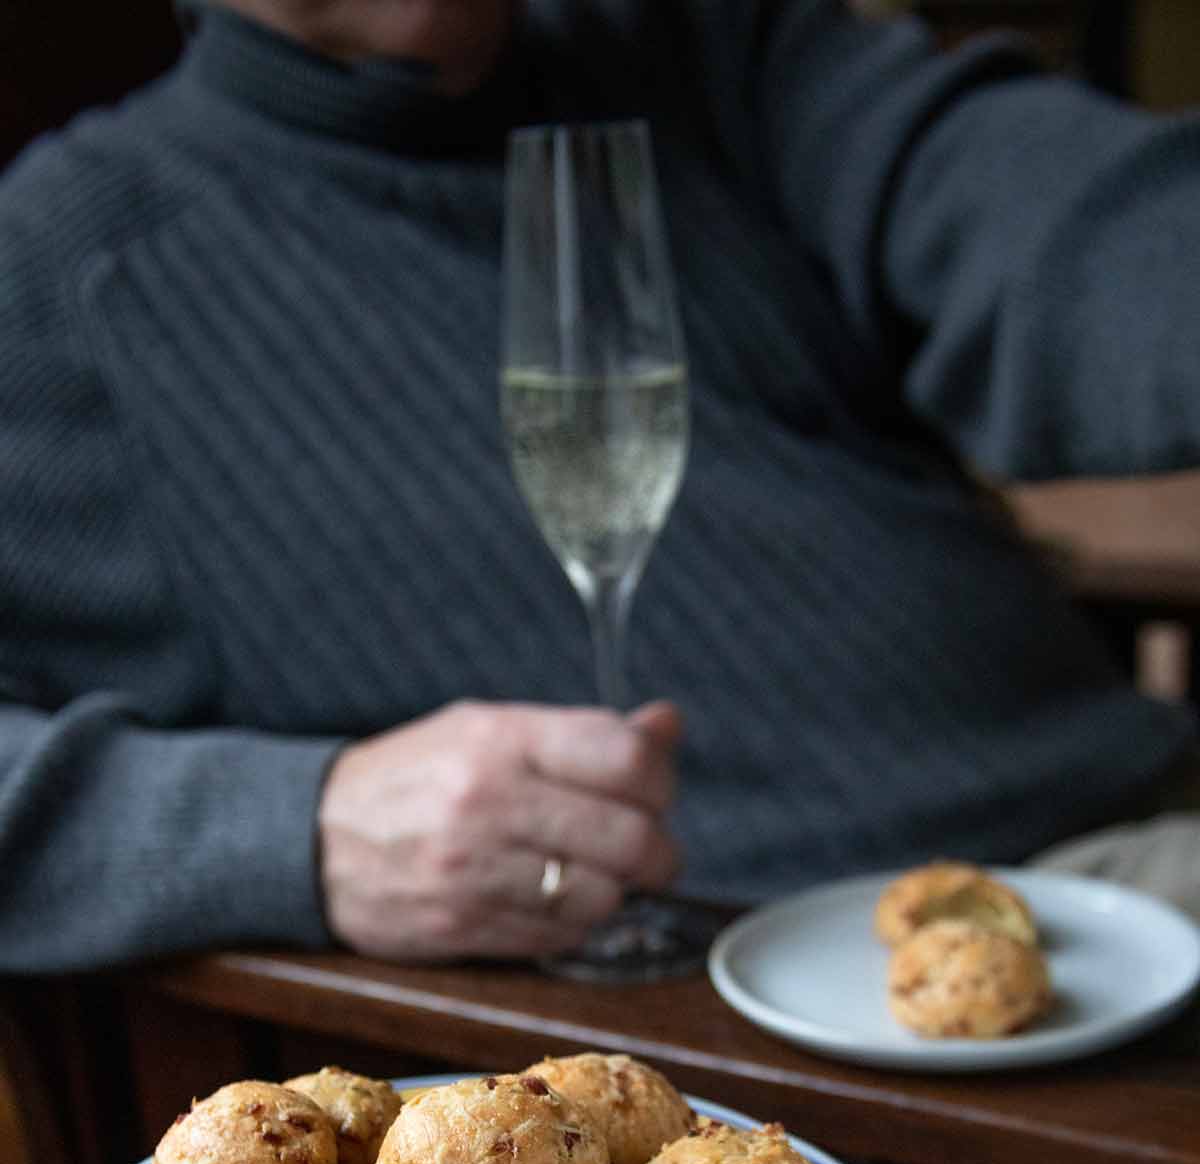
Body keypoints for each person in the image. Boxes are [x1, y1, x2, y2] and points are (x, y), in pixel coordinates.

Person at [3, 0, 1200, 976]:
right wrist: (295, 832)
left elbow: (1064, 215)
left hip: (1136, 824)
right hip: (817, 994)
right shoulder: (52, 276)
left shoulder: (707, 51)